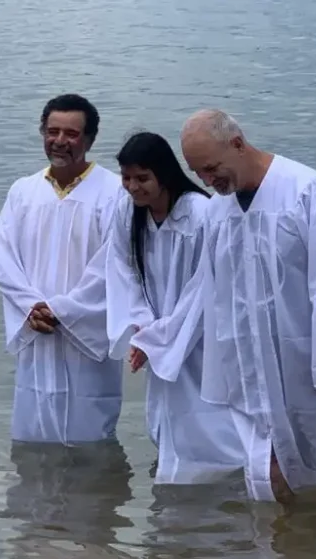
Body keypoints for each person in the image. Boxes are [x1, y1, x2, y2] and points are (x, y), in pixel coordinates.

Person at [176, 109, 316, 503]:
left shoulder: (308, 191)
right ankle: (281, 556)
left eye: (212, 168)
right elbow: (216, 295)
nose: (207, 181)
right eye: (197, 173)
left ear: (237, 144)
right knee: (267, 471)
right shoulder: (219, 211)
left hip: (311, 366)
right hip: (251, 366)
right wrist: (223, 370)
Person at [105, 131, 246, 484]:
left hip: (200, 334)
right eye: (126, 178)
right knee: (169, 413)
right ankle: (179, 479)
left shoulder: (201, 213)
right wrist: (143, 327)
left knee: (209, 409)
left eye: (142, 178)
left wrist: (163, 335)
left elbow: (206, 287)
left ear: (163, 174)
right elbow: (122, 271)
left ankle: (226, 479)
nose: (133, 187)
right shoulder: (128, 212)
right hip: (158, 330)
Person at [0, 93, 124, 444]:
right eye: (52, 131)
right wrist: (29, 307)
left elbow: (113, 264)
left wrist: (64, 310)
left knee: (89, 441)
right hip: (36, 327)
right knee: (33, 439)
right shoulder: (23, 191)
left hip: (86, 334)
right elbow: (5, 257)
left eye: (71, 134)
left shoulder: (114, 193)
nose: (60, 142)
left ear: (90, 139)